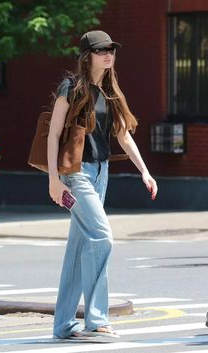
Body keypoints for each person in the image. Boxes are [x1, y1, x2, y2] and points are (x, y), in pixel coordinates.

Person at [48, 30, 158, 339]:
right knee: (101, 237)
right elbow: (54, 134)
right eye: (101, 51)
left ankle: (63, 325)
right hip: (76, 174)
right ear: (87, 56)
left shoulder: (109, 91)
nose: (108, 54)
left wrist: (145, 172)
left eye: (111, 49)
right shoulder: (71, 87)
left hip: (101, 172)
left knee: (79, 247)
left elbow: (123, 135)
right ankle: (96, 320)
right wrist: (54, 180)